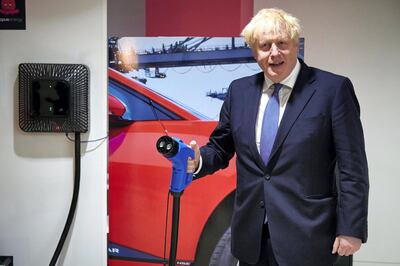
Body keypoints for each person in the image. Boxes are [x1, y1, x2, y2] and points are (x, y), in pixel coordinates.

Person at [187, 7, 369, 266]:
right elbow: (220, 147)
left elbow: (353, 167)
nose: (274, 53)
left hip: (309, 236)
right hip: (252, 237)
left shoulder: (333, 89)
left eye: (282, 43)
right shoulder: (239, 91)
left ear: (295, 44)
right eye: (265, 45)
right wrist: (199, 161)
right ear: (254, 51)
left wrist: (351, 227)